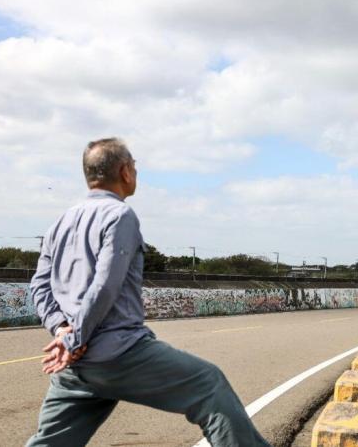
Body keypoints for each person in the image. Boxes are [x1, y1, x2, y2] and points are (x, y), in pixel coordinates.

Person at [27, 138, 271, 447]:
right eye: (135, 167)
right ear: (125, 171)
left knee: (50, 442)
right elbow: (105, 285)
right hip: (119, 353)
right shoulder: (119, 216)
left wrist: (62, 330)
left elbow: (39, 283)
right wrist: (75, 338)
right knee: (210, 384)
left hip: (75, 366)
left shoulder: (60, 223)